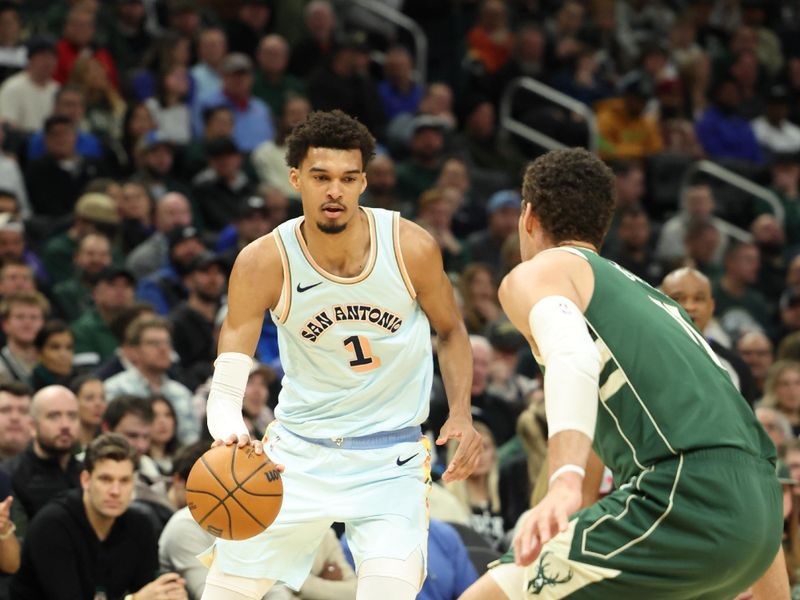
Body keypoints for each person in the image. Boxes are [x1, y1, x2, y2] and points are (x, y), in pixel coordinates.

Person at [461, 148, 786, 600]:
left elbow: (572, 356)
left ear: (528, 217)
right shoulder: (658, 306)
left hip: (681, 500)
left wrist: (563, 483)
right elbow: (742, 452)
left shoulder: (541, 271)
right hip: (758, 521)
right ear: (604, 225)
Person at [200, 109, 481, 600]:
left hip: (389, 458)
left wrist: (461, 412)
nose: (335, 191)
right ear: (295, 179)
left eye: (349, 179)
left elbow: (452, 331)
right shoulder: (264, 260)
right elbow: (232, 356)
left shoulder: (410, 246)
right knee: (225, 593)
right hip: (297, 454)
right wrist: (227, 425)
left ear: (364, 182)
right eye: (321, 177)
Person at [10, 432, 187, 599]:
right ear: (86, 480)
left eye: (124, 481)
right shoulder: (52, 525)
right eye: (106, 479)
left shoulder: (140, 525)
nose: (115, 491)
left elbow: (149, 589)